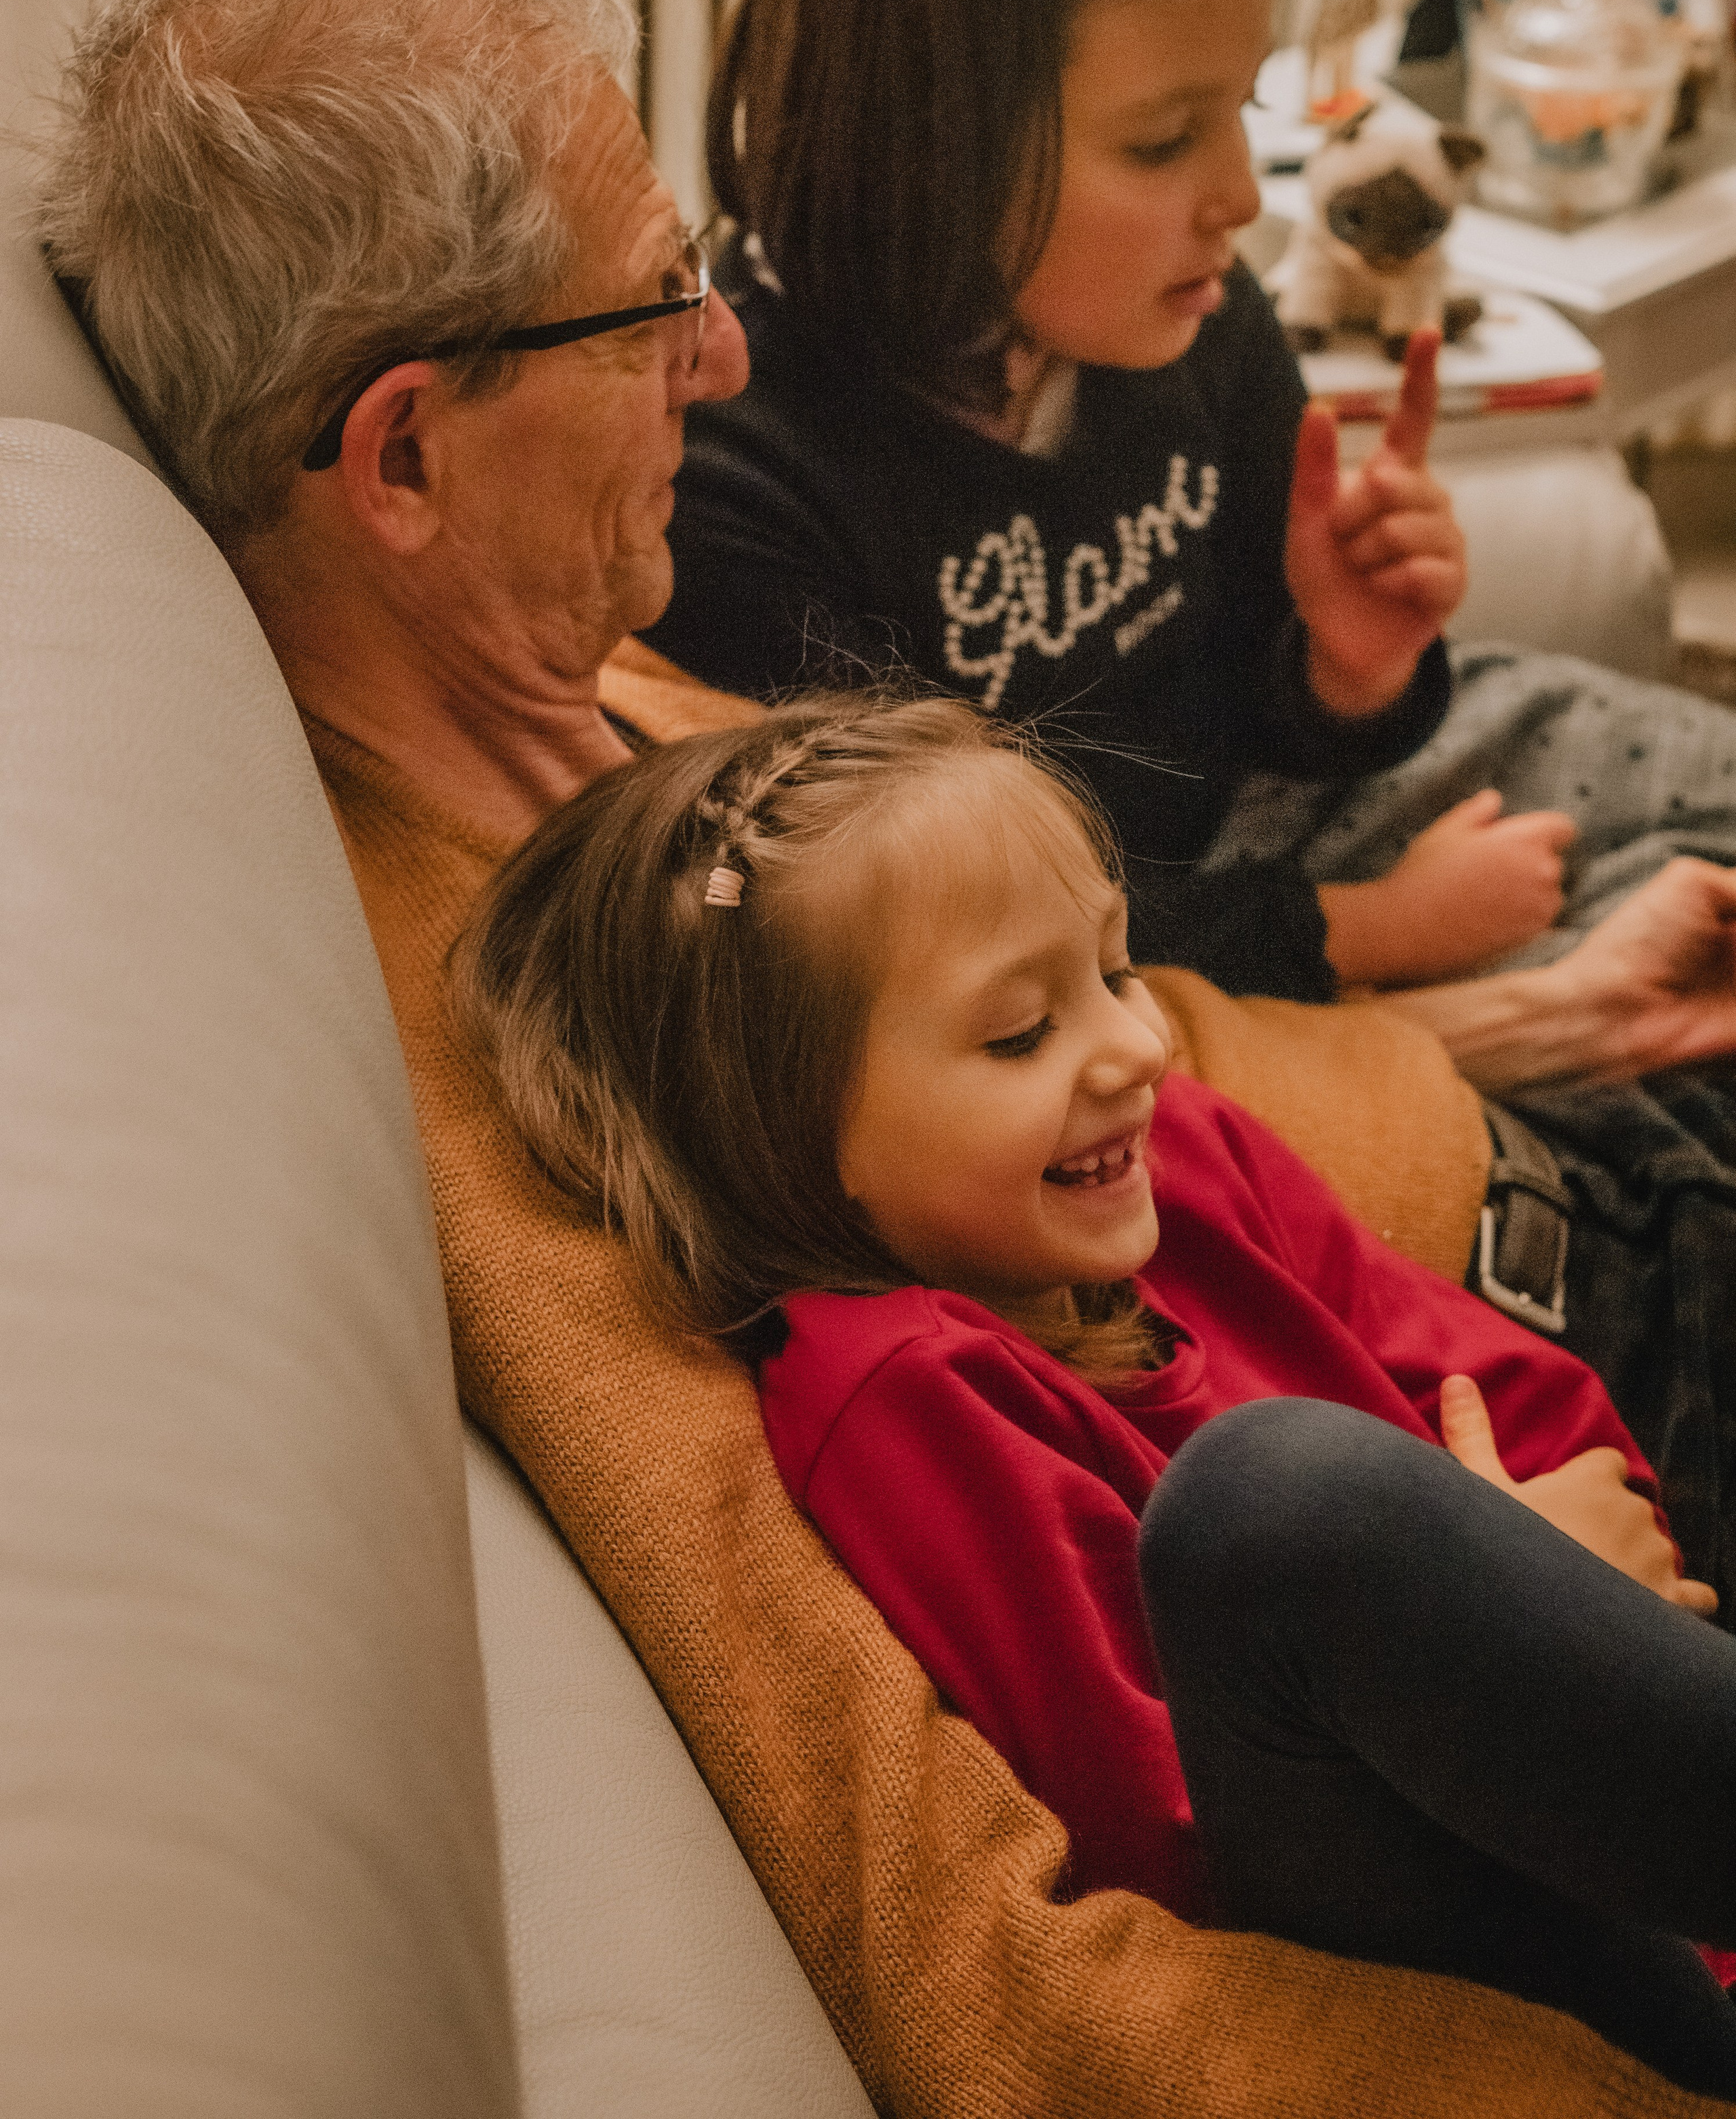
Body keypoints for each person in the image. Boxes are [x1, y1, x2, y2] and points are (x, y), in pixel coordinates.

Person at [34, 0, 1736, 2116]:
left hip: (1480, 1227)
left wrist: (1530, 1012)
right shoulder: (513, 1089)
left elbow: (1107, 997)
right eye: (650, 302)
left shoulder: (594, 690)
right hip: (1503, 1409)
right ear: (408, 454)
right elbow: (981, 1953)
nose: (726, 354)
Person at [453, 688, 1736, 2094]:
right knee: (1274, 1506)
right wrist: (1517, 1607)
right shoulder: (899, 1395)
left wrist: (1562, 1606)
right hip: (1469, 1945)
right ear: (793, 1137)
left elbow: (1521, 1393)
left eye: (1114, 974)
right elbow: (1164, 1837)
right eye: (1018, 1035)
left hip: (1640, 1833)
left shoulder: (1172, 1151)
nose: (1131, 1049)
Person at [647, 0, 1736, 1017]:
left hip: (1283, 822)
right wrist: (1367, 931)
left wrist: (1349, 667)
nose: (1237, 198)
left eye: (1247, 106)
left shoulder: (1198, 323)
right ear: (929, 137)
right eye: (1164, 139)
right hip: (1093, 962)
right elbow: (929, 925)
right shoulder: (741, 466)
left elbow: (1264, 711)